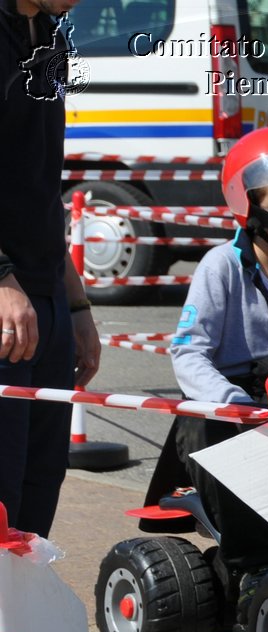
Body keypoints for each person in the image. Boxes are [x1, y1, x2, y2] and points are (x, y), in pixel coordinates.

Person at [148, 127, 268, 571]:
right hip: (235, 405)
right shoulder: (221, 267)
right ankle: (252, 569)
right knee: (216, 439)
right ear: (248, 209)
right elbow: (189, 352)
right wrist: (232, 404)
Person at [0, 0, 100, 536]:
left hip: (45, 298)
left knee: (38, 498)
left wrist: (76, 301)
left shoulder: (53, 37)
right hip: (5, 300)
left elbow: (41, 186)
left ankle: (21, 620)